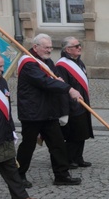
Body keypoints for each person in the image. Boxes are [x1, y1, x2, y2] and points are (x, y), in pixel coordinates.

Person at [16, 33, 83, 186]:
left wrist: (58, 82)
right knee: (28, 145)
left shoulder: (47, 61)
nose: (49, 50)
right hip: (32, 113)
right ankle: (18, 176)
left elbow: (53, 79)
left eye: (51, 47)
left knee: (58, 144)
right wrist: (68, 89)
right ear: (35, 47)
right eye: (46, 47)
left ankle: (61, 175)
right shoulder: (28, 63)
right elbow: (44, 82)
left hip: (48, 111)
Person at [0, 52, 39, 199]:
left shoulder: (2, 82)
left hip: (3, 134)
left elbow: (6, 109)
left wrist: (10, 129)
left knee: (10, 166)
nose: (3, 69)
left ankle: (20, 198)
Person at [56, 37, 93, 169]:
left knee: (82, 132)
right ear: (67, 49)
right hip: (71, 105)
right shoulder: (61, 66)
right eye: (76, 46)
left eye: (80, 45)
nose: (79, 47)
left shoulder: (79, 62)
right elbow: (62, 88)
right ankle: (69, 159)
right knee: (73, 135)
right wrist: (65, 111)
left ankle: (78, 158)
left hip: (82, 102)